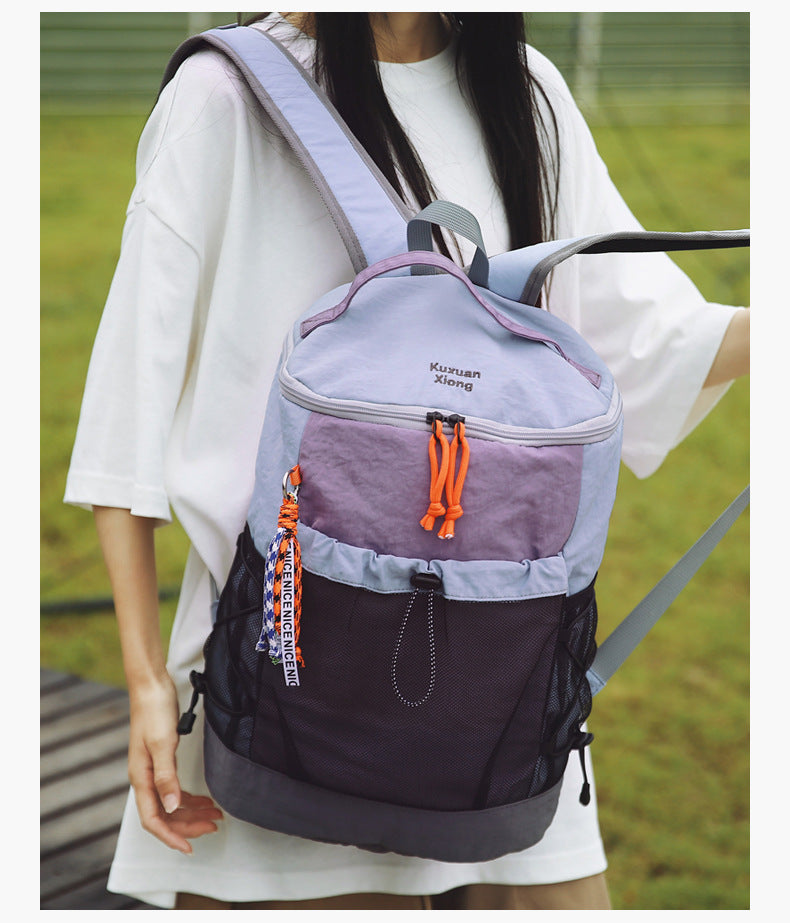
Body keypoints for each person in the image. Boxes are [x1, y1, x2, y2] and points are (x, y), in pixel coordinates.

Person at [64, 11, 749, 911]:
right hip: (282, 684)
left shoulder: (528, 95)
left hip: (504, 680)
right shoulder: (225, 96)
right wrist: (147, 679)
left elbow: (641, 336)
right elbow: (128, 409)